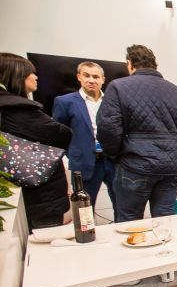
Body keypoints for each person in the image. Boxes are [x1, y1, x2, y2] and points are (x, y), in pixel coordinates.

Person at [97, 45, 177, 222]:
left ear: (130, 64)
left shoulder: (118, 87)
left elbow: (108, 128)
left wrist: (115, 155)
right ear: (155, 65)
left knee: (130, 221)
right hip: (172, 167)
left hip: (135, 165)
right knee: (165, 220)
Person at [0, 53, 72, 230]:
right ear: (16, 75)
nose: (36, 77)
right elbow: (61, 134)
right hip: (41, 196)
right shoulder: (19, 109)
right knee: (46, 239)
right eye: (30, 72)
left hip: (21, 193)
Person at [53, 61, 117, 221]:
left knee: (122, 205)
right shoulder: (65, 102)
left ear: (103, 79)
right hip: (84, 162)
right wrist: (71, 154)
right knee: (85, 211)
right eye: (86, 75)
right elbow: (58, 133)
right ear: (79, 77)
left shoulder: (113, 101)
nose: (91, 80)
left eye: (95, 77)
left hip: (112, 161)